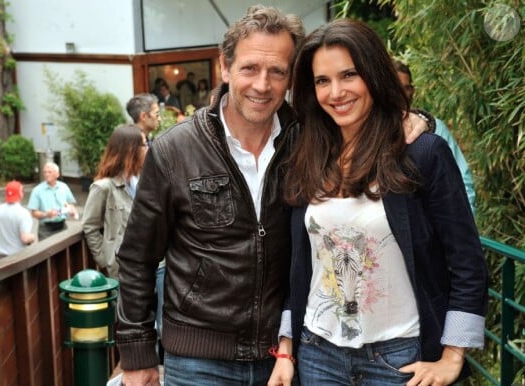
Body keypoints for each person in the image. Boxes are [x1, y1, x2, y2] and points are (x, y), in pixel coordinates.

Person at [115, 6, 428, 386]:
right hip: (198, 360)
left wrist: (411, 117)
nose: (262, 85)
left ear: (291, 78)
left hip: (286, 358)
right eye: (249, 68)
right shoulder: (174, 150)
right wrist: (137, 355)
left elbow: (367, 119)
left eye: (277, 71)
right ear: (225, 68)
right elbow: (137, 259)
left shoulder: (311, 140)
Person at [269, 19, 488, 386]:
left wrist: (452, 356)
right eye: (322, 81)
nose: (335, 92)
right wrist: (287, 350)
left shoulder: (422, 153)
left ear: (373, 73)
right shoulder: (307, 156)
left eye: (349, 74)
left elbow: (467, 261)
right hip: (318, 354)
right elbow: (301, 267)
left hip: (398, 359)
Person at [394, 59, 476, 214]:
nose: (401, 95)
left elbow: (462, 180)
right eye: (395, 88)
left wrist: (464, 226)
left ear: (412, 91)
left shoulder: (435, 127)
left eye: (406, 88)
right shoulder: (370, 130)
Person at [82, 124, 148, 278]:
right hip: (123, 270)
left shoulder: (145, 180)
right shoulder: (103, 187)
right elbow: (89, 226)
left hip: (154, 265)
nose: (148, 148)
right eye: (144, 144)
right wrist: (105, 259)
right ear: (131, 150)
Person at [0, 180, 35, 260]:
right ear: (21, 194)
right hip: (16, 257)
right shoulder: (23, 213)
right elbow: (25, 238)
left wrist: (0, 241)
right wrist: (32, 237)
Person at [28, 162, 78, 241]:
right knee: (46, 252)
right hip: (45, 230)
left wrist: (73, 212)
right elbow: (33, 213)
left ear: (57, 174)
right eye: (45, 172)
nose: (47, 174)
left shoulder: (63, 187)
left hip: (62, 226)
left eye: (49, 172)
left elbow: (70, 204)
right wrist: (46, 214)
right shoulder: (37, 190)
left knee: (65, 252)